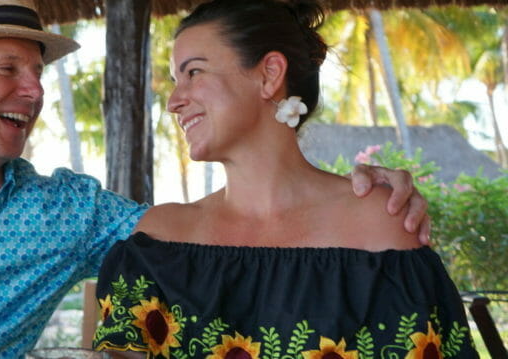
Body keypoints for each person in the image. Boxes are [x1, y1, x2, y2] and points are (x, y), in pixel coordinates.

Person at [0, 0, 430, 358]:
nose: (34, 92)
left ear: (270, 75)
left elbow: (224, 232)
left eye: (36, 72)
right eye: (9, 69)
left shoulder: (71, 212)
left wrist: (369, 192)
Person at [92, 0, 477, 358]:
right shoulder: (158, 241)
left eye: (193, 72)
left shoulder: (379, 224)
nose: (175, 100)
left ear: (270, 74)